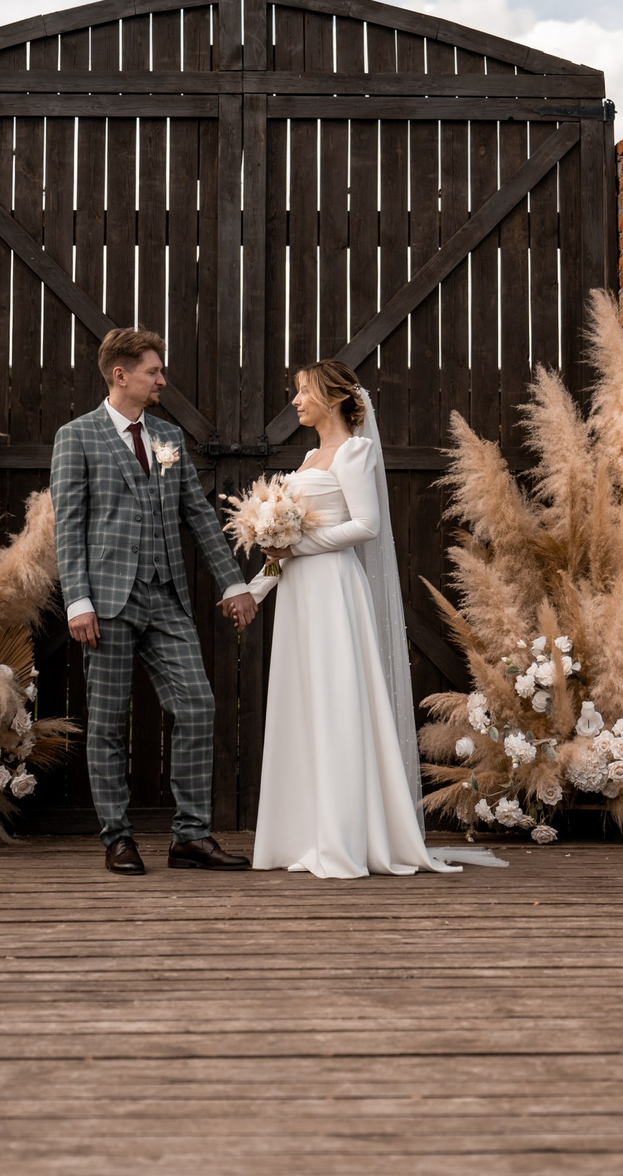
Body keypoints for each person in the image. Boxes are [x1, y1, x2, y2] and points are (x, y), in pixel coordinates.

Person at [51, 327, 259, 876]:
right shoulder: (77, 437)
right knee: (107, 723)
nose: (162, 379)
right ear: (121, 375)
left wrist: (233, 583)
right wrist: (78, 601)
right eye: (153, 371)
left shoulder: (167, 438)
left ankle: (190, 837)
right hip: (108, 602)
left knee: (197, 705)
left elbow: (198, 515)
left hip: (167, 597)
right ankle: (117, 838)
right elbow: (69, 528)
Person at [243, 361, 461, 877]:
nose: (295, 402)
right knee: (305, 704)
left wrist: (301, 543)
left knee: (337, 702)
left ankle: (343, 838)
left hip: (335, 593)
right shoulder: (309, 457)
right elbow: (284, 548)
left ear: (334, 398)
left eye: (303, 392)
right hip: (300, 596)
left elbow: (367, 525)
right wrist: (254, 591)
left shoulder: (356, 451)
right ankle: (304, 834)